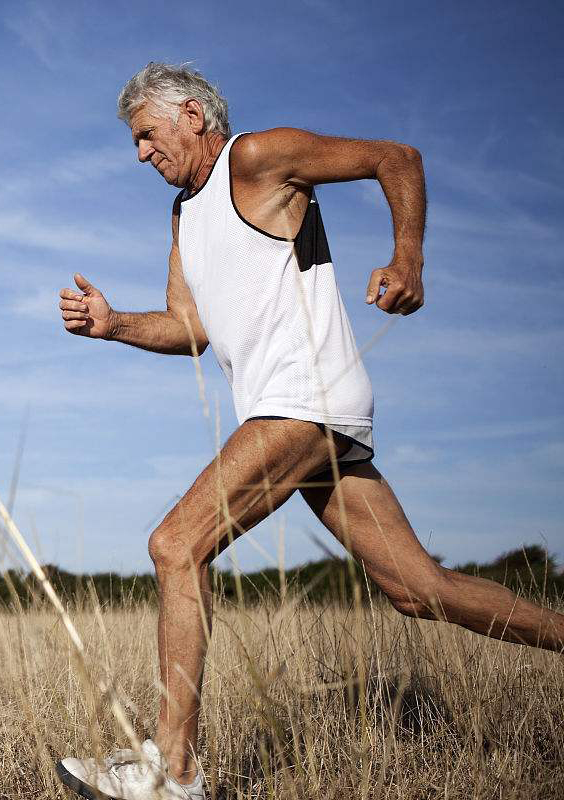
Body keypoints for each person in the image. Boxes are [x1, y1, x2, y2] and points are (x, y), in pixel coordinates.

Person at [54, 62, 564, 800]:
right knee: (417, 589)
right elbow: (190, 328)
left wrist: (407, 256)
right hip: (293, 414)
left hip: (303, 400)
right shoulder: (183, 215)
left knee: (176, 544)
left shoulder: (258, 158)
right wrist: (113, 325)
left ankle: (173, 773)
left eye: (145, 135)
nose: (139, 154)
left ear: (192, 114)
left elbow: (397, 158)